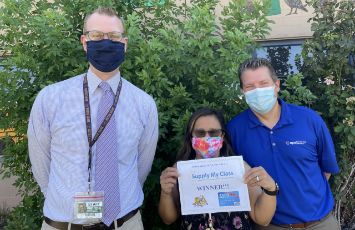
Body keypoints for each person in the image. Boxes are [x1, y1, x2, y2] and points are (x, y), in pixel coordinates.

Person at [28, 7, 158, 230]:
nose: (106, 42)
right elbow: (41, 165)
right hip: (64, 224)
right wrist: (64, 198)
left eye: (114, 36)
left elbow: (141, 168)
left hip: (125, 224)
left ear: (124, 43)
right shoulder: (50, 98)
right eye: (97, 35)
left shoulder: (144, 104)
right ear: (84, 41)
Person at [227, 58, 340, 230]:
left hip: (322, 224)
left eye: (264, 83)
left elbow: (327, 170)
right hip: (271, 226)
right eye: (250, 86)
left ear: (276, 85)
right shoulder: (235, 129)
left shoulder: (309, 120)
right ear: (243, 90)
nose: (257, 91)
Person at [159, 108, 278, 230]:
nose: (207, 137)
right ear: (191, 137)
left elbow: (262, 219)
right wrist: (165, 193)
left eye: (213, 133)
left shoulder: (239, 168)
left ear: (222, 136)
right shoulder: (180, 171)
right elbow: (168, 219)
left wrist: (270, 189)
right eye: (200, 133)